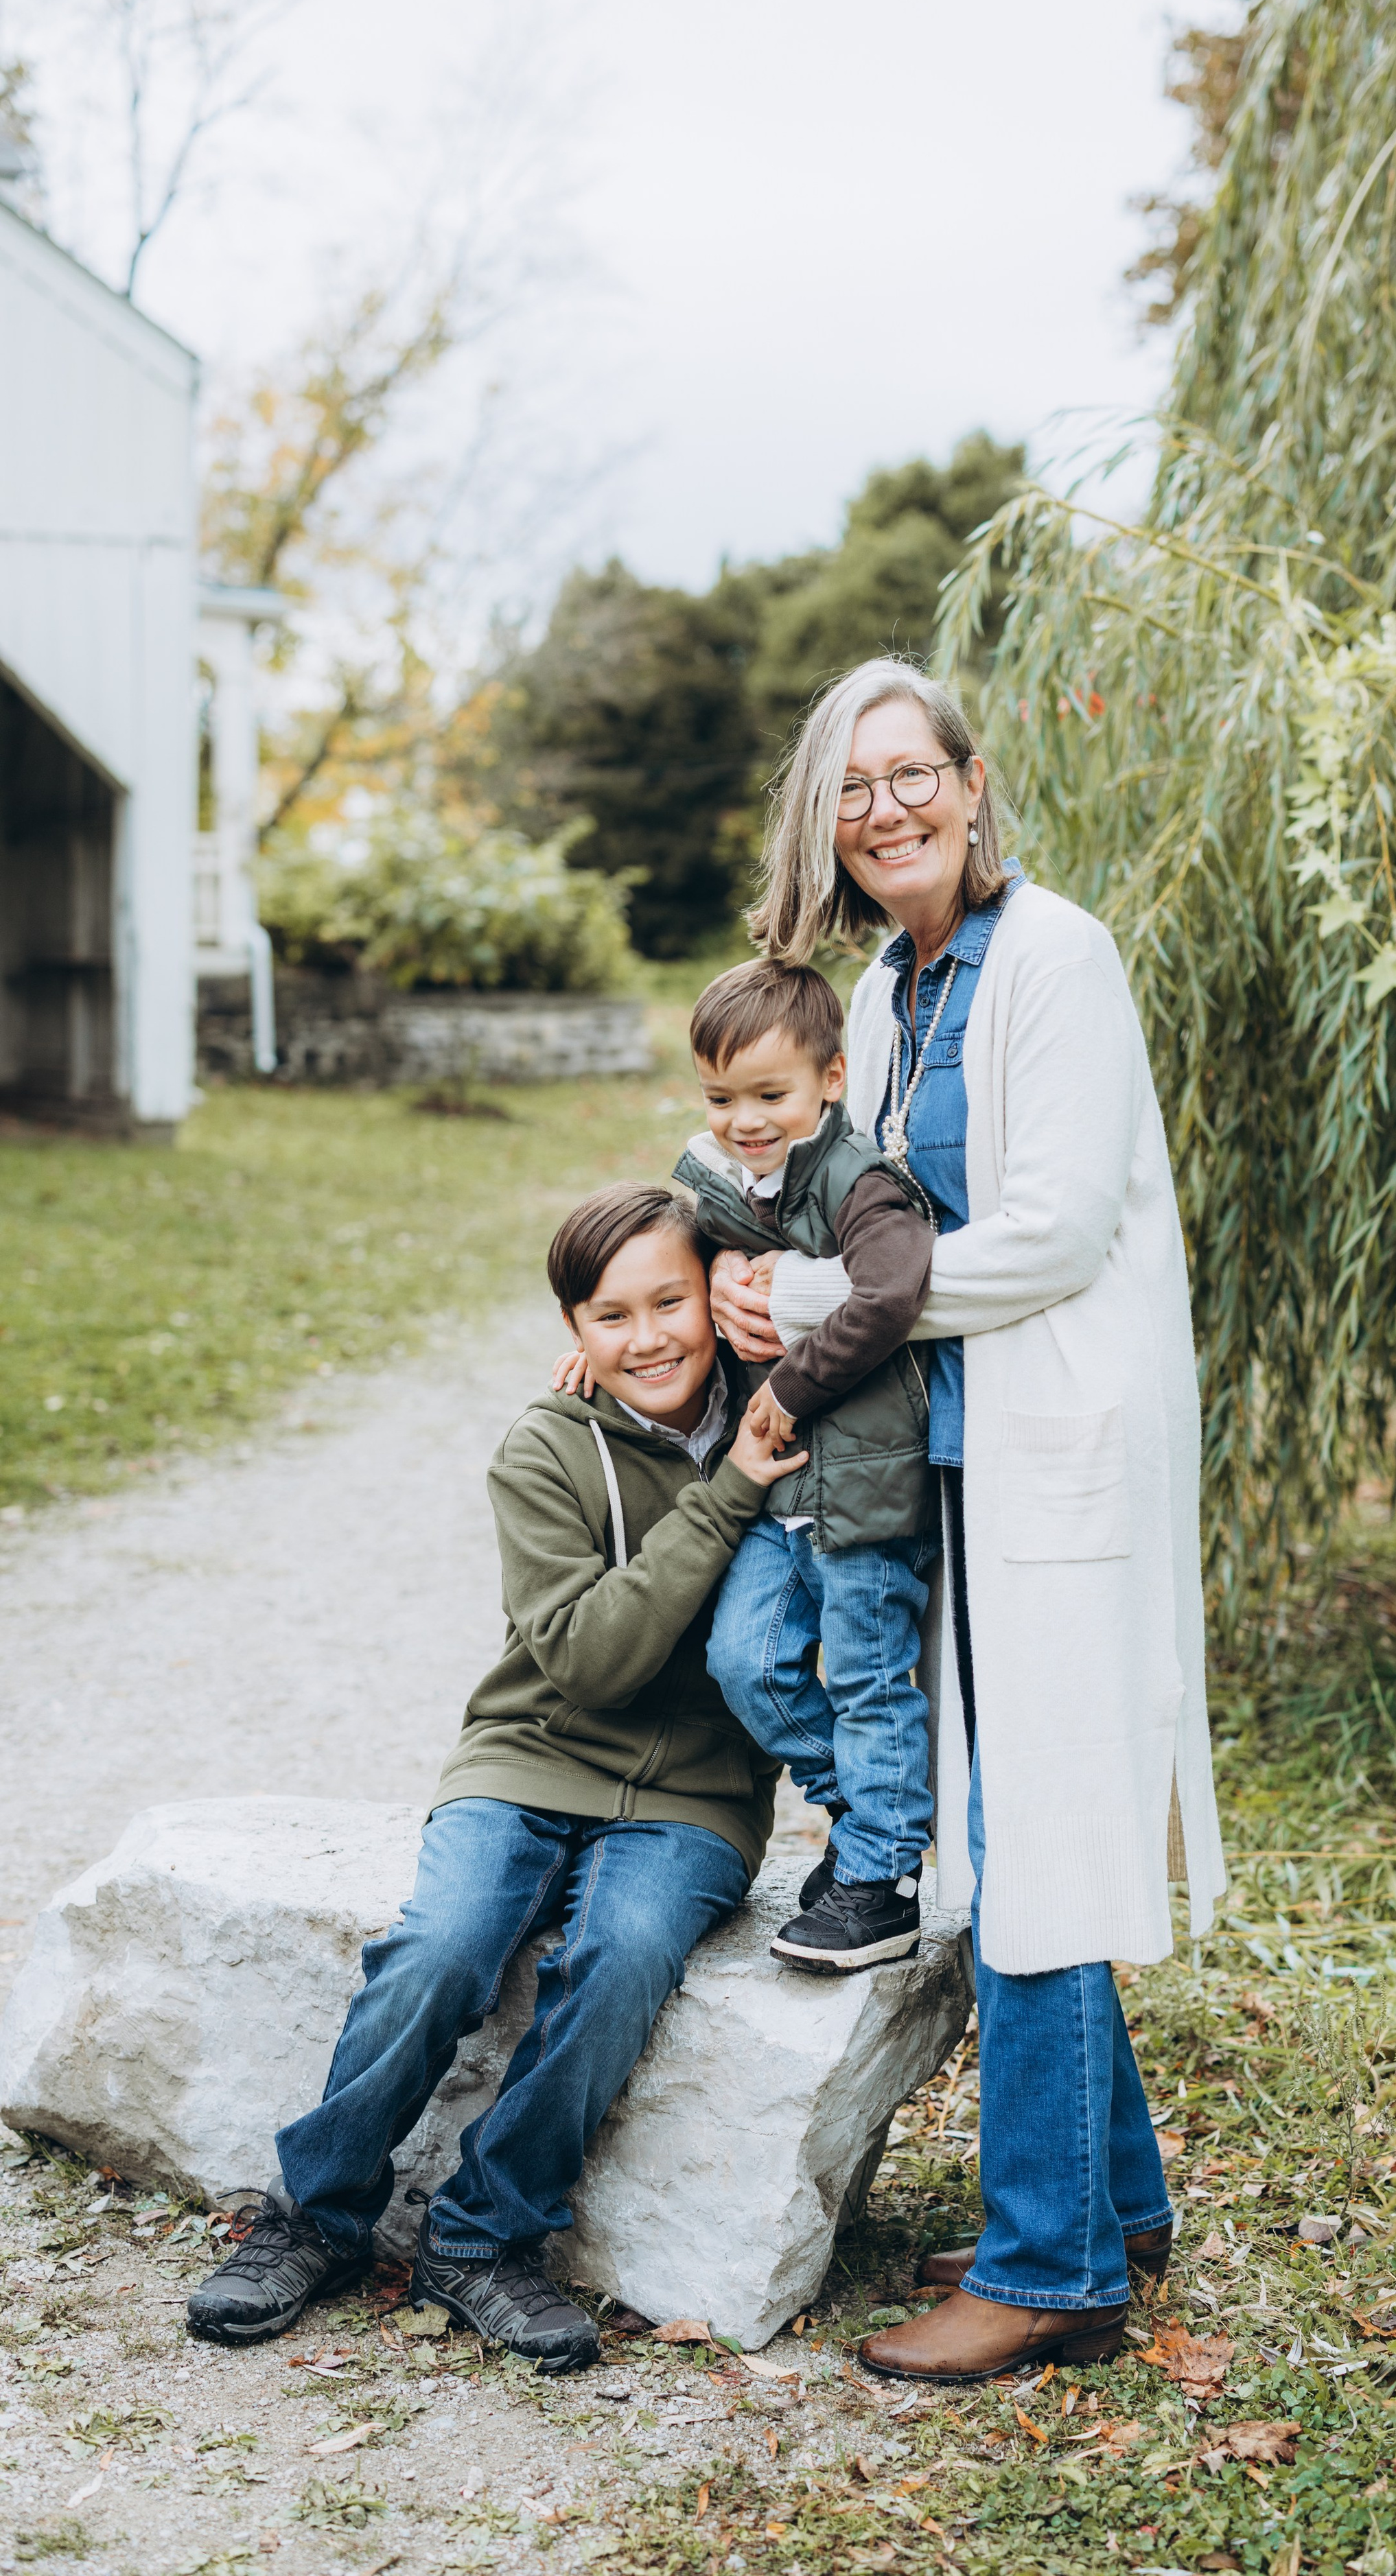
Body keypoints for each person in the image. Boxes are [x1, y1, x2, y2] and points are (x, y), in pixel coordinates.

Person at [708, 659, 1228, 2385]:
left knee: (1041, 1838)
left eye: (910, 773)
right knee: (1023, 1823)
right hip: (948, 1453)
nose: (884, 812)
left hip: (1056, 1437)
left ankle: (1053, 2270)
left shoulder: (1054, 956)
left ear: (973, 781)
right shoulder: (880, 981)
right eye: (850, 791)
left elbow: (1055, 1234)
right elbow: (837, 1196)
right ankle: (1114, 2200)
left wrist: (817, 1296)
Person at [186, 1186, 805, 2373]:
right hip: (530, 1754)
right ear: (574, 1332)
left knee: (620, 1959)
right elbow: (590, 1659)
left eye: (670, 1301)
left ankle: (479, 2240)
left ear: (719, 1296)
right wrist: (731, 1489)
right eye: (609, 1316)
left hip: (694, 1795)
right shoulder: (547, 1446)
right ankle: (313, 2217)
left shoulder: (790, 1414)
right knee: (444, 1948)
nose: (648, 1338)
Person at [674, 957, 939, 1972]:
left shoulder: (860, 1181)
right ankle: (868, 1820)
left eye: (770, 1095)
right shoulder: (718, 1188)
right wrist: (597, 1343)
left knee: (871, 1678)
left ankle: (882, 1877)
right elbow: (659, 1274)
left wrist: (791, 1386)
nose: (744, 1119)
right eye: (721, 1097)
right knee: (745, 1659)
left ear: (831, 1079)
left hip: (864, 1489)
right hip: (773, 1491)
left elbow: (892, 1290)